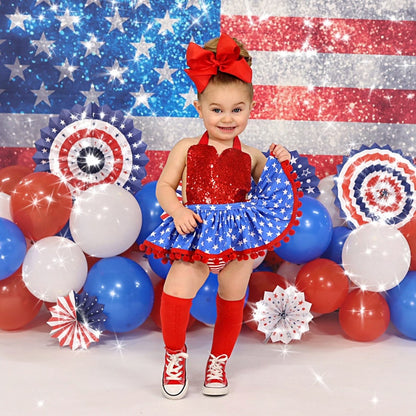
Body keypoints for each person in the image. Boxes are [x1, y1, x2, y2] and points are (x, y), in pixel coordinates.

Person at [140, 33, 301, 399]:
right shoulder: (186, 148)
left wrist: (283, 158)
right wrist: (177, 209)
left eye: (237, 110)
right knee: (177, 289)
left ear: (249, 109)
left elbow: (277, 189)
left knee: (232, 295)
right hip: (195, 231)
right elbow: (164, 187)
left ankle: (218, 362)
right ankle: (175, 355)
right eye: (217, 110)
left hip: (237, 240)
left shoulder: (253, 155)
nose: (227, 119)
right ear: (199, 108)